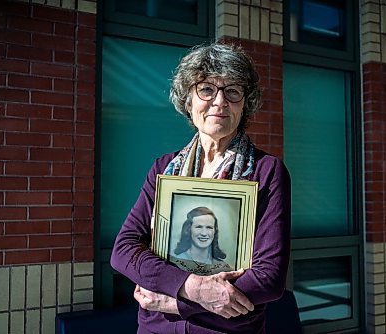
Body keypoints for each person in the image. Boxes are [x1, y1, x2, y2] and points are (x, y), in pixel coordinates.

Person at [110, 41, 291, 334]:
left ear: (245, 104)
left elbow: (268, 279)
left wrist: (177, 302)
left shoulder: (266, 171)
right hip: (156, 329)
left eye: (233, 91)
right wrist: (192, 286)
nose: (220, 101)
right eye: (206, 89)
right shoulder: (163, 169)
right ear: (188, 100)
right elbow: (124, 251)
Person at [171, 206, 232, 275]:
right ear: (189, 230)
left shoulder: (223, 268)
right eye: (198, 227)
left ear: (215, 231)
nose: (204, 233)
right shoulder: (174, 264)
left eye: (209, 227)